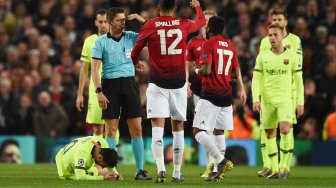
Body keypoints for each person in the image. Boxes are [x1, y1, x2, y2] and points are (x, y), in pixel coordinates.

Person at [131, 0, 206, 183]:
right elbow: (202, 21)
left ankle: (161, 168)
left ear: (158, 8)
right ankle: (177, 171)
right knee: (178, 128)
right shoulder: (183, 23)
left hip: (157, 84)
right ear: (174, 9)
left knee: (157, 127)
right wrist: (197, 5)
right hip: (178, 84)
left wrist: (136, 62)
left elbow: (136, 50)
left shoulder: (150, 25)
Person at [91, 7, 151, 180]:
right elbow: (94, 69)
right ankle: (113, 171)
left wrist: (142, 19)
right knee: (111, 130)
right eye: (119, 20)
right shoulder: (101, 42)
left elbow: (151, 33)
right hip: (110, 86)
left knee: (137, 129)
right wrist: (99, 92)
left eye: (124, 19)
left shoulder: (131, 36)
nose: (123, 22)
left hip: (129, 83)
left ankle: (140, 171)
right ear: (110, 22)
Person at [192, 16, 246, 181]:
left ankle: (221, 161)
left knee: (198, 131)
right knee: (219, 131)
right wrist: (242, 88)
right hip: (226, 94)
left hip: (211, 93)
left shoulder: (208, 44)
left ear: (209, 29)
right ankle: (217, 172)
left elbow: (206, 71)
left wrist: (196, 70)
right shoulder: (229, 45)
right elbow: (236, 70)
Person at [252, 23, 304, 179]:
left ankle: (283, 166)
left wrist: (300, 101)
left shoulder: (292, 56)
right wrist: (256, 99)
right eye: (270, 35)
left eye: (275, 35)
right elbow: (256, 79)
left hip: (285, 99)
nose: (272, 38)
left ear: (282, 36)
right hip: (267, 100)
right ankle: (275, 169)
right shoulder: (262, 56)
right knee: (269, 133)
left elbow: (299, 80)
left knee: (285, 129)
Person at [185, 9, 217, 179]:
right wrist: (185, 82)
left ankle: (215, 164)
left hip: (215, 91)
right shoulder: (193, 42)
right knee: (204, 130)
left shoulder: (220, 43)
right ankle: (211, 165)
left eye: (209, 22)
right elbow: (186, 64)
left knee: (208, 130)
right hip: (198, 92)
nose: (206, 25)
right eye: (204, 22)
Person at [76, 9, 111, 138]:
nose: (103, 24)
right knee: (97, 128)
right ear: (96, 22)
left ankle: (111, 154)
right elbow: (84, 69)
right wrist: (80, 94)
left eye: (106, 21)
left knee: (112, 126)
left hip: (113, 86)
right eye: (100, 21)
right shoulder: (89, 41)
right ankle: (98, 156)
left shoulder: (117, 39)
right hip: (95, 89)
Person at [55, 136, 122, 180]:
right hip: (63, 163)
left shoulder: (102, 142)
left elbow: (109, 159)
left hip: (76, 150)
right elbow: (80, 177)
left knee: (97, 172)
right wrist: (102, 178)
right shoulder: (82, 154)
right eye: (103, 165)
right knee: (86, 174)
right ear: (100, 157)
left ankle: (91, 172)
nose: (103, 167)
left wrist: (116, 174)